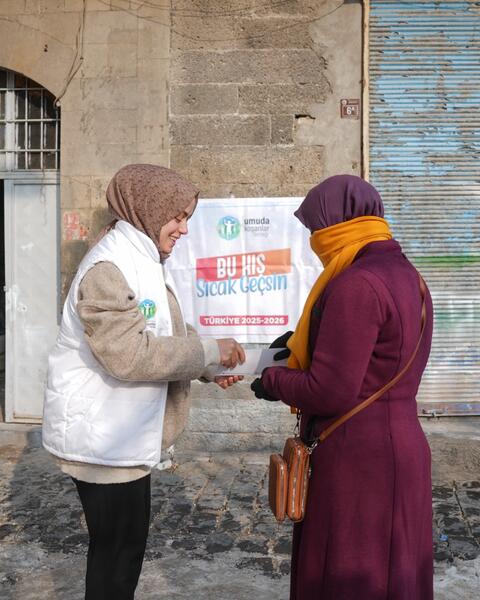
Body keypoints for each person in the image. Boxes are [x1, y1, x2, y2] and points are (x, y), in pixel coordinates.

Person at [42, 164, 245, 600]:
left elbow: (165, 331)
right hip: (103, 439)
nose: (184, 229)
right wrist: (210, 351)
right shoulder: (108, 268)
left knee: (123, 555)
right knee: (116, 560)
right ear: (148, 209)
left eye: (187, 218)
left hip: (123, 435)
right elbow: (130, 355)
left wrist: (208, 367)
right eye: (177, 217)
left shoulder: (143, 258)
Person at [251, 175, 434, 600]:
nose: (314, 241)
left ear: (336, 225)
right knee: (394, 575)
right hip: (399, 446)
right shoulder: (408, 275)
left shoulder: (356, 283)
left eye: (316, 228)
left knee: (351, 576)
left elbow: (329, 390)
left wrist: (273, 381)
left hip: (359, 459)